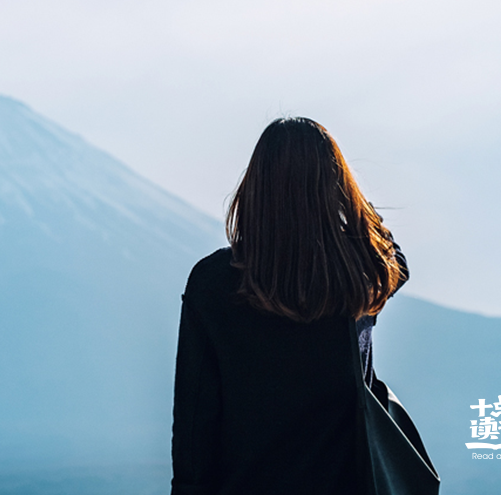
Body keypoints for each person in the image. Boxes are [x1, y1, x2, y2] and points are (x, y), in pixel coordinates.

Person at [170, 117, 409, 494]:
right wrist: (354, 207)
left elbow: (194, 423)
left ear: (256, 186)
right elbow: (393, 256)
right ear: (334, 186)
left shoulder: (213, 283)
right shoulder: (358, 276)